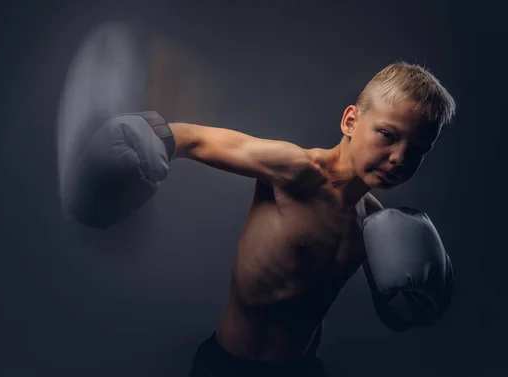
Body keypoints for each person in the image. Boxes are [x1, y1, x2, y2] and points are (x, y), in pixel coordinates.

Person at [57, 25, 455, 377]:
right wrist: (146, 134)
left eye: (418, 150)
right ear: (351, 121)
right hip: (229, 367)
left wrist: (418, 301)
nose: (400, 157)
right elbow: (198, 139)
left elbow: (394, 310)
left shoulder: (375, 221)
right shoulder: (298, 171)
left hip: (302, 369)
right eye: (388, 135)